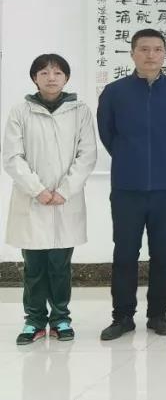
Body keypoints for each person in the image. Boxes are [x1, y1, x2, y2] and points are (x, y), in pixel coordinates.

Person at [97, 29, 166, 340]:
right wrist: (131, 159)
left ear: (165, 54)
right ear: (132, 53)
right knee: (125, 253)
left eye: (157, 49)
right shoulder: (114, 92)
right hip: (127, 188)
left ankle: (158, 314)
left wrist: (163, 158)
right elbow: (108, 135)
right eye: (144, 49)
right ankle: (123, 316)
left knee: (162, 254)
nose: (150, 55)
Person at [3, 54, 98, 345]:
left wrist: (64, 191)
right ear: (35, 78)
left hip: (65, 201)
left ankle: (60, 319)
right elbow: (12, 157)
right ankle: (33, 321)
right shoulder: (21, 111)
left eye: (57, 72)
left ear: (66, 77)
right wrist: (38, 190)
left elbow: (87, 154)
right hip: (33, 200)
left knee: (60, 265)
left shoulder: (80, 111)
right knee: (33, 267)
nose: (51, 78)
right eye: (44, 73)